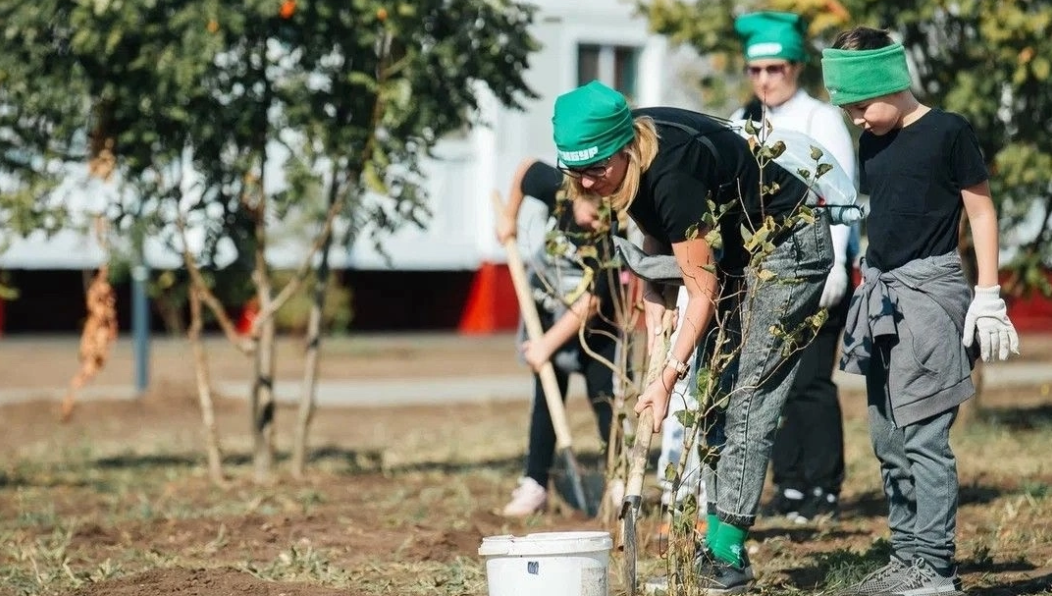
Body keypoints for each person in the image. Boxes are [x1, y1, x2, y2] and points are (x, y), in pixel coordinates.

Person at [552, 80, 834, 592]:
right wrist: (654, 295)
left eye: (597, 169)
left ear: (624, 147)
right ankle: (714, 542)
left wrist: (666, 377)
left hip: (787, 246)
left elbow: (701, 291)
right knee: (715, 394)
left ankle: (727, 555)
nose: (589, 183)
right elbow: (656, 227)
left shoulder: (670, 170)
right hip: (740, 252)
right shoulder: (630, 156)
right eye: (577, 173)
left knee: (747, 394)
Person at [821, 27, 1019, 595]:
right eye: (848, 110)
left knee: (924, 439)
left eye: (860, 105)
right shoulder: (873, 141)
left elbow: (981, 212)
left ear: (888, 81)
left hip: (930, 296)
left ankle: (935, 569)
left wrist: (988, 295)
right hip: (881, 295)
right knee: (887, 439)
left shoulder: (948, 132)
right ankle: (906, 554)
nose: (856, 119)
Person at [732, 10, 859, 524]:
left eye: (775, 68)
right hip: (765, 274)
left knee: (810, 382)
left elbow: (841, 193)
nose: (765, 80)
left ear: (796, 67)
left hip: (819, 266)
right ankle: (787, 483)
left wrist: (837, 262)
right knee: (770, 382)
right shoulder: (744, 119)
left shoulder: (820, 118)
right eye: (755, 70)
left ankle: (822, 486)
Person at [495, 157, 625, 517]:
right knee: (546, 396)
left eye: (605, 218)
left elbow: (593, 301)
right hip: (547, 303)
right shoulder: (560, 191)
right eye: (593, 215)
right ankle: (535, 483)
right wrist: (509, 217)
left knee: (605, 396)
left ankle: (619, 483)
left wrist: (546, 345)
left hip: (596, 322)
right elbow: (526, 169)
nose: (597, 224)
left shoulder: (610, 235)